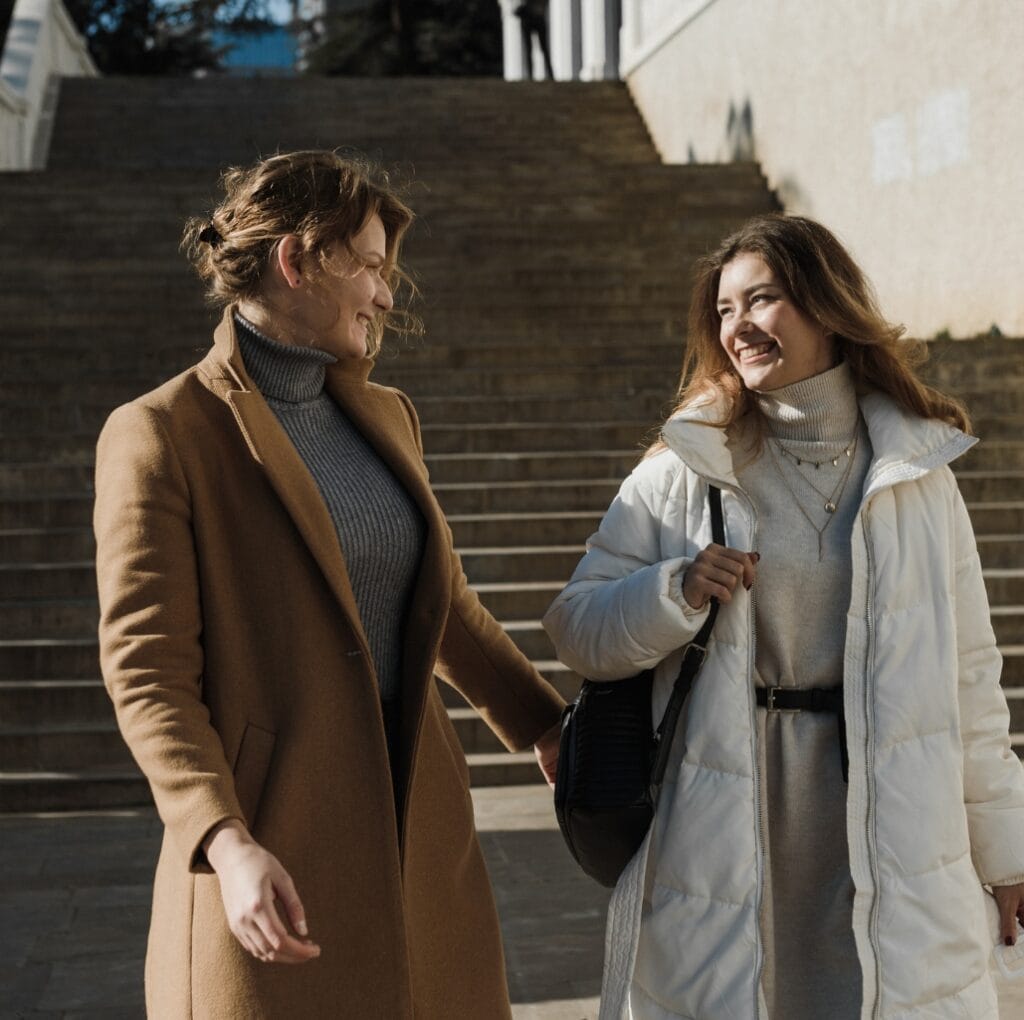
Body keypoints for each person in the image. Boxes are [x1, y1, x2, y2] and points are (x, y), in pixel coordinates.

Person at [93, 149, 564, 1019]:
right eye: (374, 268)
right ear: (299, 259)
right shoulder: (161, 433)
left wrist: (547, 726)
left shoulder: (388, 414)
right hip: (272, 849)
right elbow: (147, 671)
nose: (386, 295)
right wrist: (224, 841)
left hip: (420, 841)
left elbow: (444, 607)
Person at [543, 214, 1024, 1019]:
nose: (738, 327)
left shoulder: (918, 474)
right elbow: (578, 627)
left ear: (826, 305)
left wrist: (1007, 851)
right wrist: (676, 590)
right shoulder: (686, 467)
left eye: (760, 301)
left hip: (891, 808)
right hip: (730, 807)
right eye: (724, 310)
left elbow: (972, 680)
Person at [515, 0, 554, 80]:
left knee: (543, 49)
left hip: (537, 17)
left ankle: (550, 74)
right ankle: (531, 75)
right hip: (529, 18)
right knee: (530, 49)